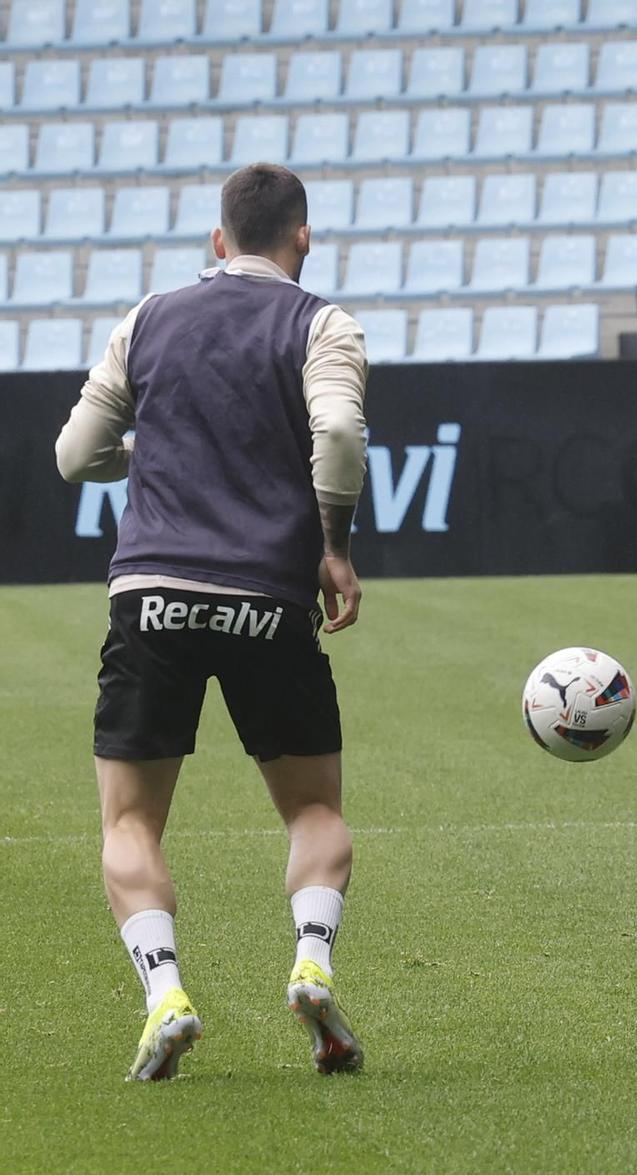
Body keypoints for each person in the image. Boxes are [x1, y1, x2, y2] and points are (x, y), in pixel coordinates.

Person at [53, 163, 371, 1079]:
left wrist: (146, 455)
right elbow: (341, 439)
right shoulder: (323, 323)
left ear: (217, 241)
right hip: (267, 598)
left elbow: (75, 455)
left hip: (149, 594)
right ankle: (311, 960)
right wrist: (334, 545)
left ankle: (165, 994)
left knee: (130, 822)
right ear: (302, 237)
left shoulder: (148, 317)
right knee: (313, 805)